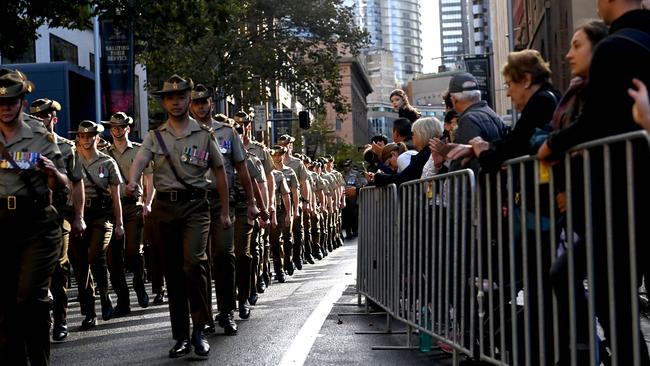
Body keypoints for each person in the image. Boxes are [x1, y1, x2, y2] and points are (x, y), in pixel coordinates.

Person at [537, 2, 650, 365]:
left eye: (575, 45)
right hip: (620, 199)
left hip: (621, 200)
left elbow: (597, 121)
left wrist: (552, 145)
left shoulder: (615, 48)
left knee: (604, 293)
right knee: (607, 293)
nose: (568, 55)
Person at [127, 75, 231, 358]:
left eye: (181, 97)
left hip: (196, 208)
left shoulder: (203, 135)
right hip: (164, 209)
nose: (176, 102)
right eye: (170, 98)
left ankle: (200, 327)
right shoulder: (155, 136)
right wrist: (133, 181)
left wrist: (224, 210)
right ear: (164, 102)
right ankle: (181, 335)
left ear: (188, 100)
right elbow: (139, 161)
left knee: (194, 264)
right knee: (173, 271)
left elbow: (220, 172)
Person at [0, 68, 69, 365]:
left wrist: (52, 173)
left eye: (11, 102)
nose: (5, 108)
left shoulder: (39, 134)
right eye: (0, 104)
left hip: (36, 224)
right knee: (6, 304)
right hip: (2, 224)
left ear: (22, 103)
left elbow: (63, 183)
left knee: (31, 299)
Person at [189, 85, 258, 334]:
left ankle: (226, 311)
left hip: (223, 203)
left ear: (211, 104)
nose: (200, 106)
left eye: (204, 102)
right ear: (190, 106)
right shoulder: (184, 133)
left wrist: (251, 203)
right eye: (196, 103)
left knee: (224, 256)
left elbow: (241, 169)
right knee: (198, 262)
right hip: (195, 203)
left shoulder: (227, 132)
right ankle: (203, 315)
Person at [29, 98, 86, 342]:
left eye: (46, 116)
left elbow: (77, 183)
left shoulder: (66, 147)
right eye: (37, 116)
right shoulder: (26, 144)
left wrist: (79, 217)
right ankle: (40, 321)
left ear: (55, 118)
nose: (42, 120)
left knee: (59, 267)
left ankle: (60, 321)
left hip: (59, 215)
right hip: (31, 215)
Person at [70, 120, 124, 330]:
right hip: (78, 214)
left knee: (96, 255)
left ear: (97, 138)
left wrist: (119, 224)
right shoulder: (72, 161)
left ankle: (104, 294)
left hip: (102, 214)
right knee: (81, 264)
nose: (85, 139)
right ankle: (89, 311)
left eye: (89, 136)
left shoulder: (108, 162)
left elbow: (116, 197)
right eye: (82, 136)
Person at [102, 112, 154, 316]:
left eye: (120, 127)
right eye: (113, 127)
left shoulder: (139, 151)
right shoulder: (104, 154)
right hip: (111, 208)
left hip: (133, 206)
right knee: (113, 260)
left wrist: (147, 203)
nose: (116, 130)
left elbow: (150, 179)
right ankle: (123, 301)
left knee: (133, 251)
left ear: (128, 129)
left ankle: (139, 283)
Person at [430, 72, 509, 173]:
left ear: (454, 99)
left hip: (481, 186)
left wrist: (447, 157)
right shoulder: (491, 113)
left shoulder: (468, 120)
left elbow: (467, 165)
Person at [366, 117, 438, 186]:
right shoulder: (427, 153)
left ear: (422, 135)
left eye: (414, 134)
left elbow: (405, 178)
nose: (412, 137)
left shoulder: (421, 155)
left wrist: (378, 177)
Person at [277, 134, 313, 269]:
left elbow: (305, 183)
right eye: (282, 146)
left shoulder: (297, 163)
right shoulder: (273, 161)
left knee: (297, 230)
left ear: (291, 146)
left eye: (287, 145)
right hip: (279, 201)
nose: (284, 148)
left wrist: (305, 201)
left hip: (294, 200)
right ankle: (287, 260)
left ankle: (297, 256)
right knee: (284, 233)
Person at [269, 145, 296, 282]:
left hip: (280, 210)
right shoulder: (263, 172)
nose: (277, 157)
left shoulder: (283, 174)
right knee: (272, 242)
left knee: (284, 239)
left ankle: (284, 265)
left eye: (280, 155)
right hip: (264, 210)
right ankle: (271, 271)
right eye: (275, 155)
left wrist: (289, 213)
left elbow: (288, 195)